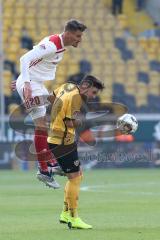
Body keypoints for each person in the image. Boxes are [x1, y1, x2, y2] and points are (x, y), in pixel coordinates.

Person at [15, 19, 87, 189]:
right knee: (41, 125)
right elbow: (24, 58)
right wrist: (24, 82)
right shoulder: (53, 45)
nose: (79, 39)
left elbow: (34, 62)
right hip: (31, 85)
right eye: (77, 36)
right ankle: (44, 169)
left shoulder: (59, 45)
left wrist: (20, 80)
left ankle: (51, 162)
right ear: (68, 33)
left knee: (53, 119)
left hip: (36, 84)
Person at [47, 75, 105, 229]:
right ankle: (73, 217)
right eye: (93, 92)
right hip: (62, 141)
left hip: (58, 137)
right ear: (85, 85)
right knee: (75, 178)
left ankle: (66, 213)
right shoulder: (76, 98)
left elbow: (50, 99)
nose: (93, 97)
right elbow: (69, 122)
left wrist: (56, 116)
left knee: (77, 175)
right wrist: (88, 122)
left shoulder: (67, 86)